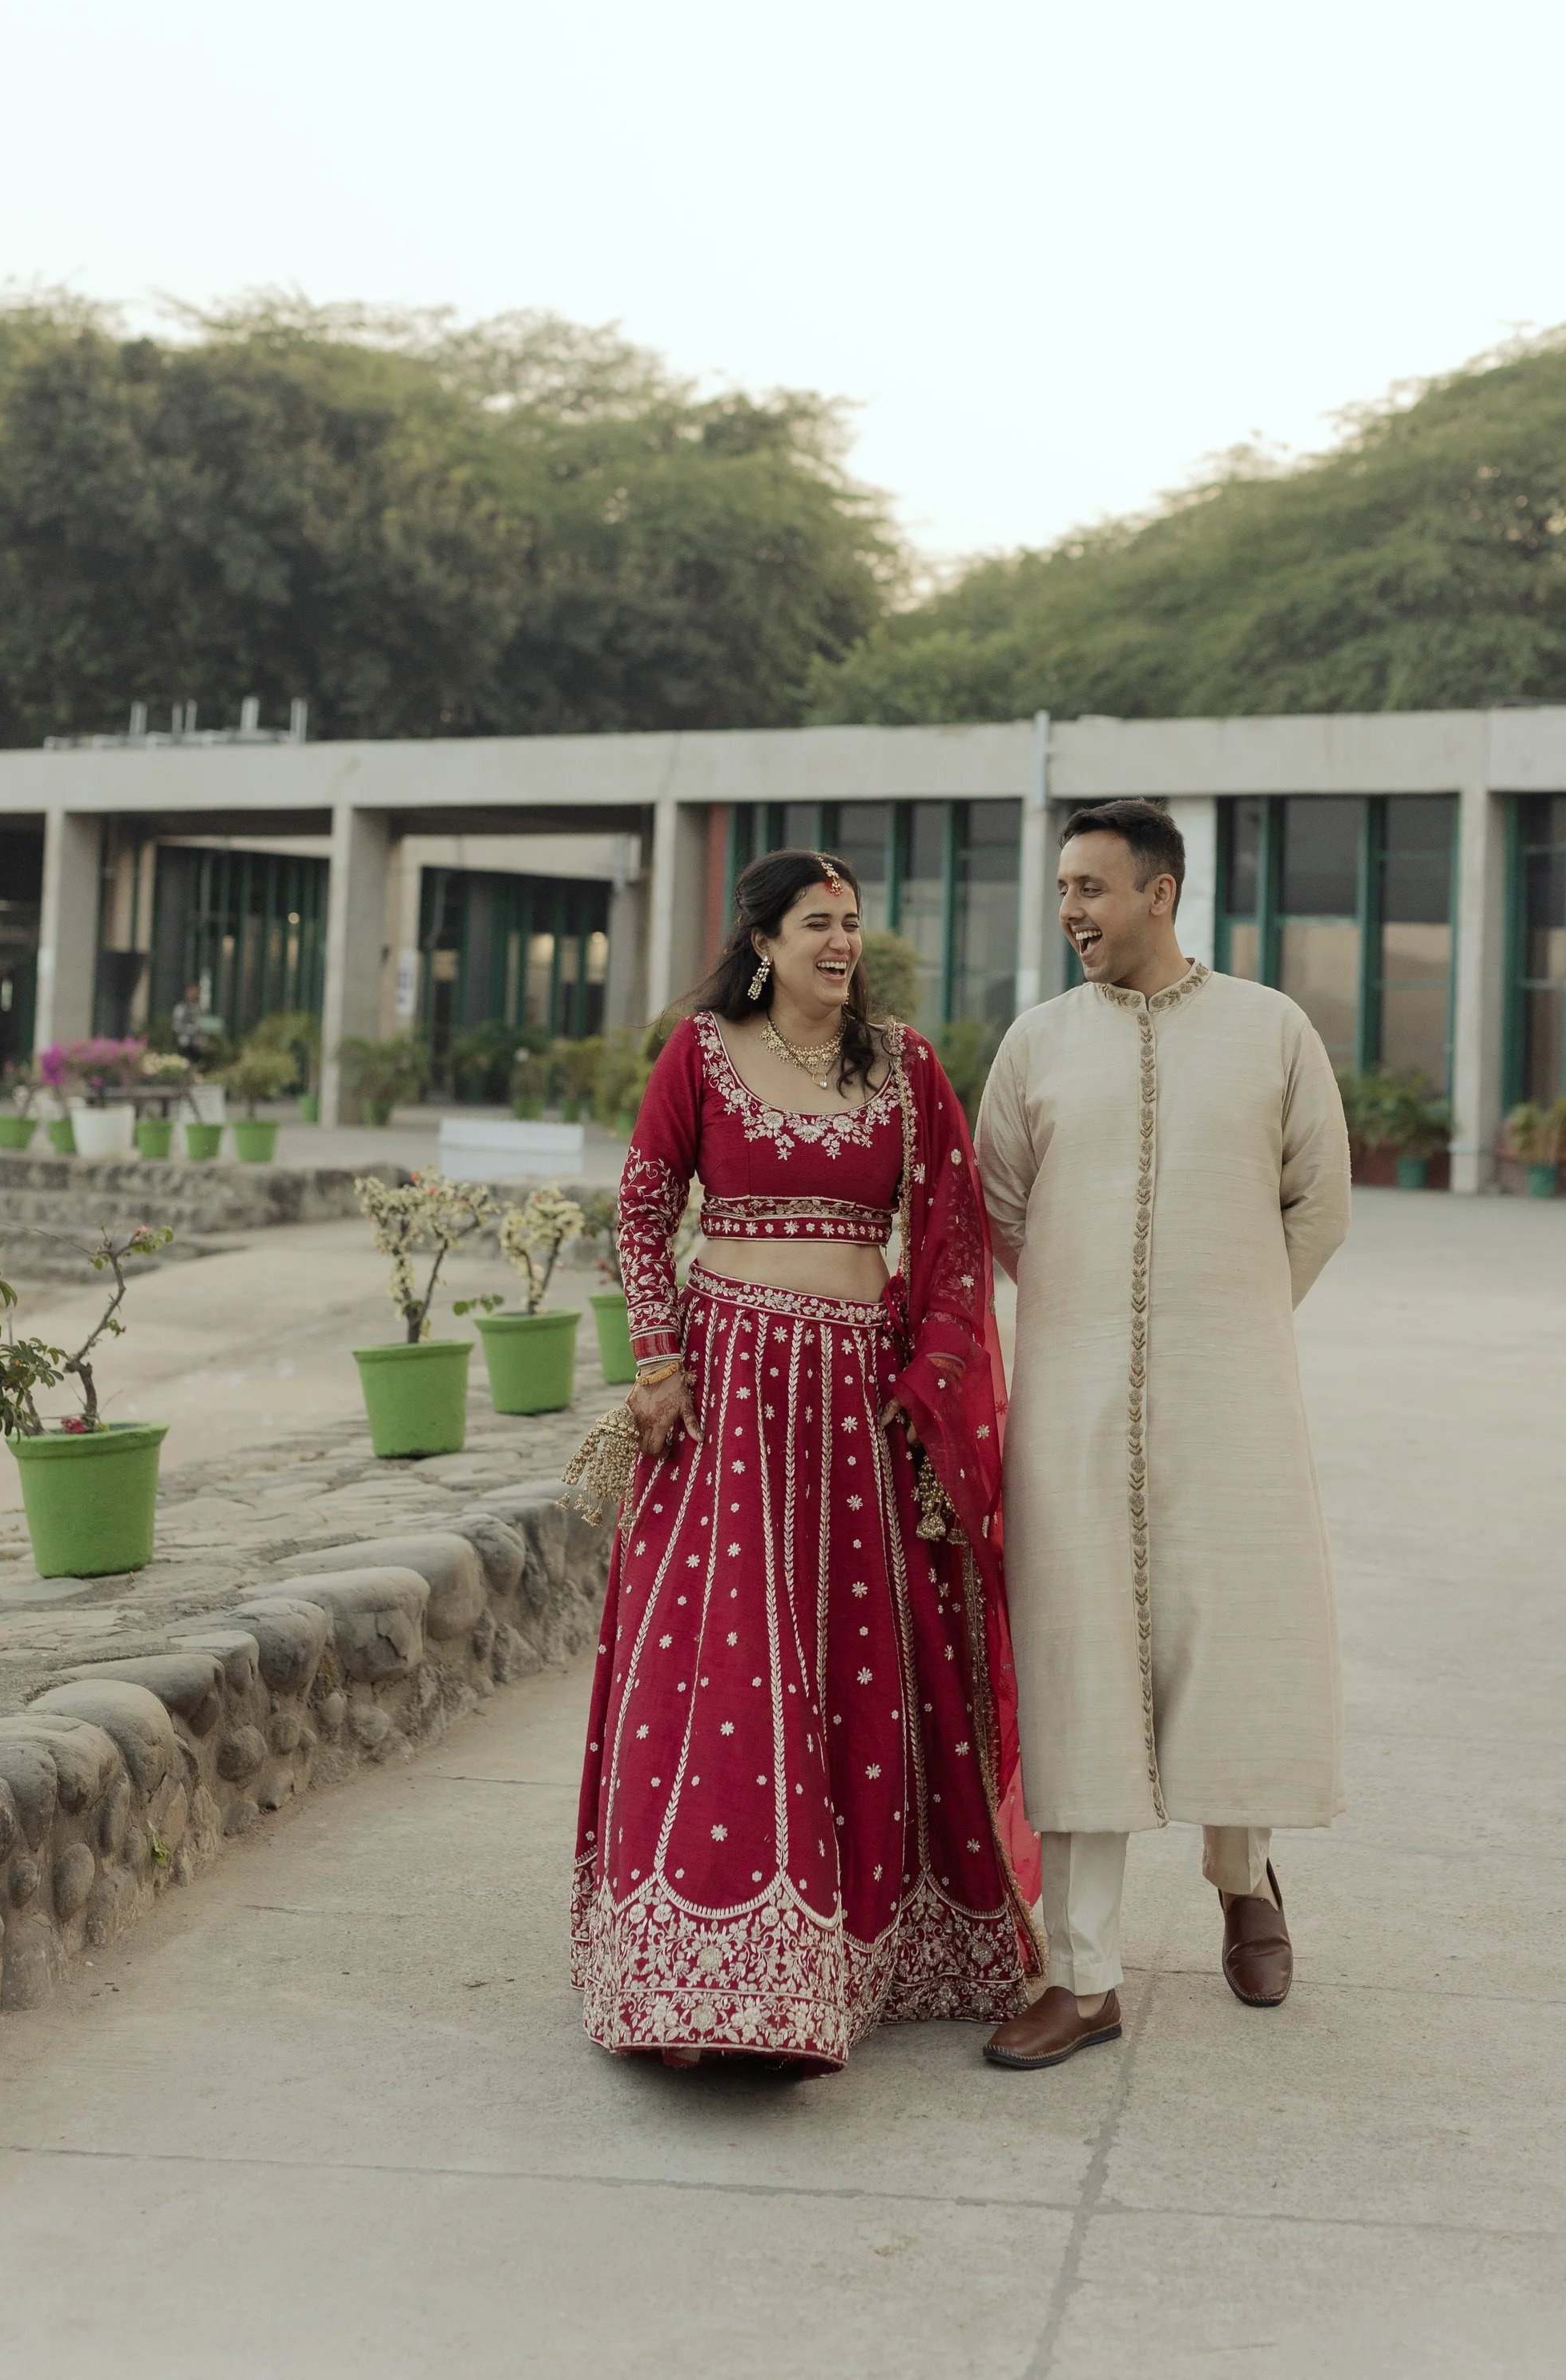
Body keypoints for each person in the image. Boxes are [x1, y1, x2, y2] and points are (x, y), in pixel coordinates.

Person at [571, 848, 1041, 2069]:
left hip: (856, 1411)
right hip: (727, 1403)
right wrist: (659, 1360)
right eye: (816, 923)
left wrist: (929, 1382)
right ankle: (704, 1978)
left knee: (859, 1676)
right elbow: (639, 1199)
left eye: (852, 923)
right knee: (723, 1680)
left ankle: (840, 1959)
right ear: (763, 941)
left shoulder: (907, 1064)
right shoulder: (704, 1050)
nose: (841, 942)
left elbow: (949, 1236)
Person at [974, 799, 1351, 2070]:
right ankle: (1083, 1976)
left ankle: (1245, 1877)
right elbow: (1003, 1210)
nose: (1072, 910)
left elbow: (1319, 1203)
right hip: (1072, 1402)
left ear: (1161, 891)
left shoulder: (1270, 1031)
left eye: (1092, 886)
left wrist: (1228, 1319)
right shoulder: (1036, 1045)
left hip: (1232, 1397)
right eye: (1063, 889)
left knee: (1229, 1643)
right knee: (1080, 1665)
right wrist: (1096, 1327)